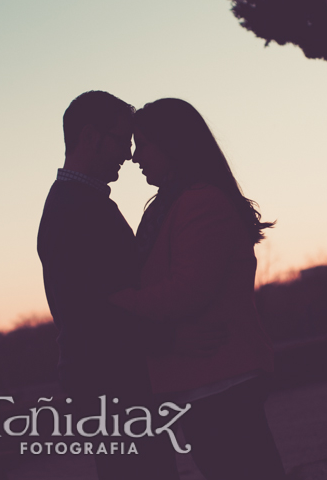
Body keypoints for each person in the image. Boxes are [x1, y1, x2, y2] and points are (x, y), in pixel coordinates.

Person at [110, 98, 286, 480]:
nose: (136, 158)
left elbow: (188, 291)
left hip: (222, 378)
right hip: (202, 380)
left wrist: (118, 302)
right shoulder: (169, 205)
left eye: (143, 144)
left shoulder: (200, 202)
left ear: (172, 144)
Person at [37, 90, 179, 480]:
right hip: (115, 385)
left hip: (108, 383)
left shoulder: (74, 203)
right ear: (89, 138)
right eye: (122, 140)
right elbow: (102, 308)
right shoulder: (77, 209)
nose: (129, 154)